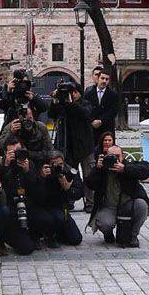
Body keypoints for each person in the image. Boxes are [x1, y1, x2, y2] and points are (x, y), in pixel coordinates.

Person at [85, 145, 149, 248]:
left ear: (123, 156)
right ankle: (108, 234)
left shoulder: (127, 166)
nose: (114, 159)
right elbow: (89, 184)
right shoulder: (102, 170)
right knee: (104, 223)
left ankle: (133, 236)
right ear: (105, 156)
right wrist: (97, 169)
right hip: (109, 206)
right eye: (111, 156)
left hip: (127, 205)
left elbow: (146, 170)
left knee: (142, 206)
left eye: (117, 156)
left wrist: (125, 169)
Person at [0, 135, 56, 255]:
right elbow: (2, 192)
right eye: (12, 152)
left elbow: (38, 194)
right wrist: (7, 166)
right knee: (26, 249)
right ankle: (8, 237)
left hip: (28, 206)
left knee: (47, 220)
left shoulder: (29, 164)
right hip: (12, 210)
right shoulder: (2, 166)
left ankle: (34, 234)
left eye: (19, 151)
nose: (16, 155)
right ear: (5, 153)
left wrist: (28, 172)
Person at [48, 82, 94, 211]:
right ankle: (69, 199)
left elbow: (85, 113)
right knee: (69, 173)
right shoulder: (63, 104)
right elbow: (52, 114)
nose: (72, 95)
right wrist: (55, 100)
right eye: (70, 92)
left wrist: (70, 103)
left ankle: (90, 202)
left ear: (79, 93)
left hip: (84, 146)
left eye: (74, 92)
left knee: (88, 174)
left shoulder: (85, 104)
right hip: (67, 146)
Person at [32, 150, 84, 247]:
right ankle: (48, 235)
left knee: (76, 239)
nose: (58, 167)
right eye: (54, 164)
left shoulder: (69, 172)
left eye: (60, 164)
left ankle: (59, 234)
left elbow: (79, 193)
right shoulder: (42, 172)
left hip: (61, 207)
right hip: (45, 207)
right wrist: (43, 179)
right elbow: (36, 196)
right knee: (57, 218)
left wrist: (68, 189)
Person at [85, 69, 119, 144]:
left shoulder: (113, 95)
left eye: (107, 79)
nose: (104, 81)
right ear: (98, 78)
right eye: (102, 78)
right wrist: (92, 121)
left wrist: (101, 120)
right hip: (92, 129)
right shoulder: (88, 93)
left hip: (106, 129)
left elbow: (113, 111)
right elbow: (86, 109)